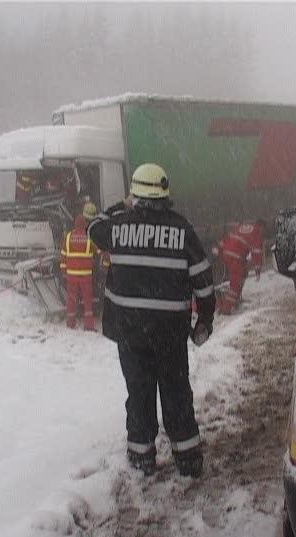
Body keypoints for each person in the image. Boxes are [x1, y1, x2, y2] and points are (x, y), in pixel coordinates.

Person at [88, 163, 215, 478]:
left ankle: (141, 457)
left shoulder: (117, 226)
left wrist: (122, 204)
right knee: (176, 393)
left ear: (135, 193)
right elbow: (203, 279)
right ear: (165, 193)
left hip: (130, 333)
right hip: (170, 335)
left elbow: (93, 228)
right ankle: (187, 459)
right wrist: (205, 319)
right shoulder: (182, 230)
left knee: (139, 393)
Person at [60, 207, 98, 331]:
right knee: (88, 301)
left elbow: (63, 255)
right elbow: (99, 251)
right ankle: (89, 326)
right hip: (86, 276)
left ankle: (70, 324)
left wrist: (64, 272)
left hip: (71, 276)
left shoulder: (68, 236)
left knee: (71, 300)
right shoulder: (89, 236)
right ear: (85, 223)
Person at [215, 219, 264, 314]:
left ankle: (233, 300)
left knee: (242, 274)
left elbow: (227, 237)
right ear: (261, 227)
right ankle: (226, 308)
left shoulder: (242, 227)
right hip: (235, 257)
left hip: (225, 252)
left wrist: (220, 251)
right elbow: (257, 252)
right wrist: (257, 270)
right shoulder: (257, 232)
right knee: (236, 283)